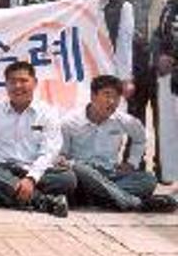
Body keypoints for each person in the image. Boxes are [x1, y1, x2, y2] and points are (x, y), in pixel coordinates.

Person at [0, 61, 76, 217]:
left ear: (34, 83)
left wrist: (31, 178)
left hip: (34, 170)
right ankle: (44, 202)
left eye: (23, 81)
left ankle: (0, 195)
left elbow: (49, 152)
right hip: (1, 169)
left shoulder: (48, 114)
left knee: (68, 179)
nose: (18, 86)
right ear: (6, 85)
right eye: (12, 81)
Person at [61, 75, 175, 213]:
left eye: (116, 97)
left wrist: (132, 163)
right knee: (77, 168)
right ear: (93, 96)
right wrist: (65, 162)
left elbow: (140, 138)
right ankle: (135, 203)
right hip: (83, 176)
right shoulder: (70, 122)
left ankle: (97, 198)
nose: (112, 102)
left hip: (111, 174)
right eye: (107, 95)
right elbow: (62, 155)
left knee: (148, 179)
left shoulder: (124, 120)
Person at [119, 0, 176, 179]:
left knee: (165, 119)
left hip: (162, 63)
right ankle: (134, 166)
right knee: (134, 117)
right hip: (133, 64)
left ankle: (165, 167)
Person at [91, 0, 134, 90]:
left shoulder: (124, 7)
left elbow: (124, 45)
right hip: (87, 66)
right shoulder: (84, 3)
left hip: (110, 69)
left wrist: (125, 78)